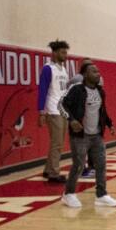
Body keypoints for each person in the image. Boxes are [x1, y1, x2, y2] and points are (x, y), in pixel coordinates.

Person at [60, 60, 116, 209]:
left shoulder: (100, 91)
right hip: (80, 136)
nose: (98, 73)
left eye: (98, 71)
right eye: (94, 71)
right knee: (79, 165)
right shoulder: (76, 89)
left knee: (101, 164)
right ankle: (69, 194)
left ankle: (101, 195)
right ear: (85, 74)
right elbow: (61, 104)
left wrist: (110, 124)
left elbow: (102, 111)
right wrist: (71, 119)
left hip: (97, 135)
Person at [38, 40, 72, 183]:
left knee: (57, 142)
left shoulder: (63, 70)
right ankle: (53, 173)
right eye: (63, 52)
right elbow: (43, 90)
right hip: (53, 110)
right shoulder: (48, 68)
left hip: (62, 110)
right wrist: (41, 112)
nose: (65, 55)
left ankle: (47, 170)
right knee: (57, 143)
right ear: (55, 52)